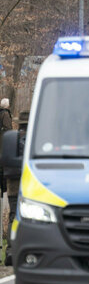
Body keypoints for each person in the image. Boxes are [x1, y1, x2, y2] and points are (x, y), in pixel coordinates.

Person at [2, 111, 25, 266]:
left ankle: (11, 251)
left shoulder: (11, 139)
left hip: (13, 186)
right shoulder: (37, 139)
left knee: (13, 217)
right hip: (32, 187)